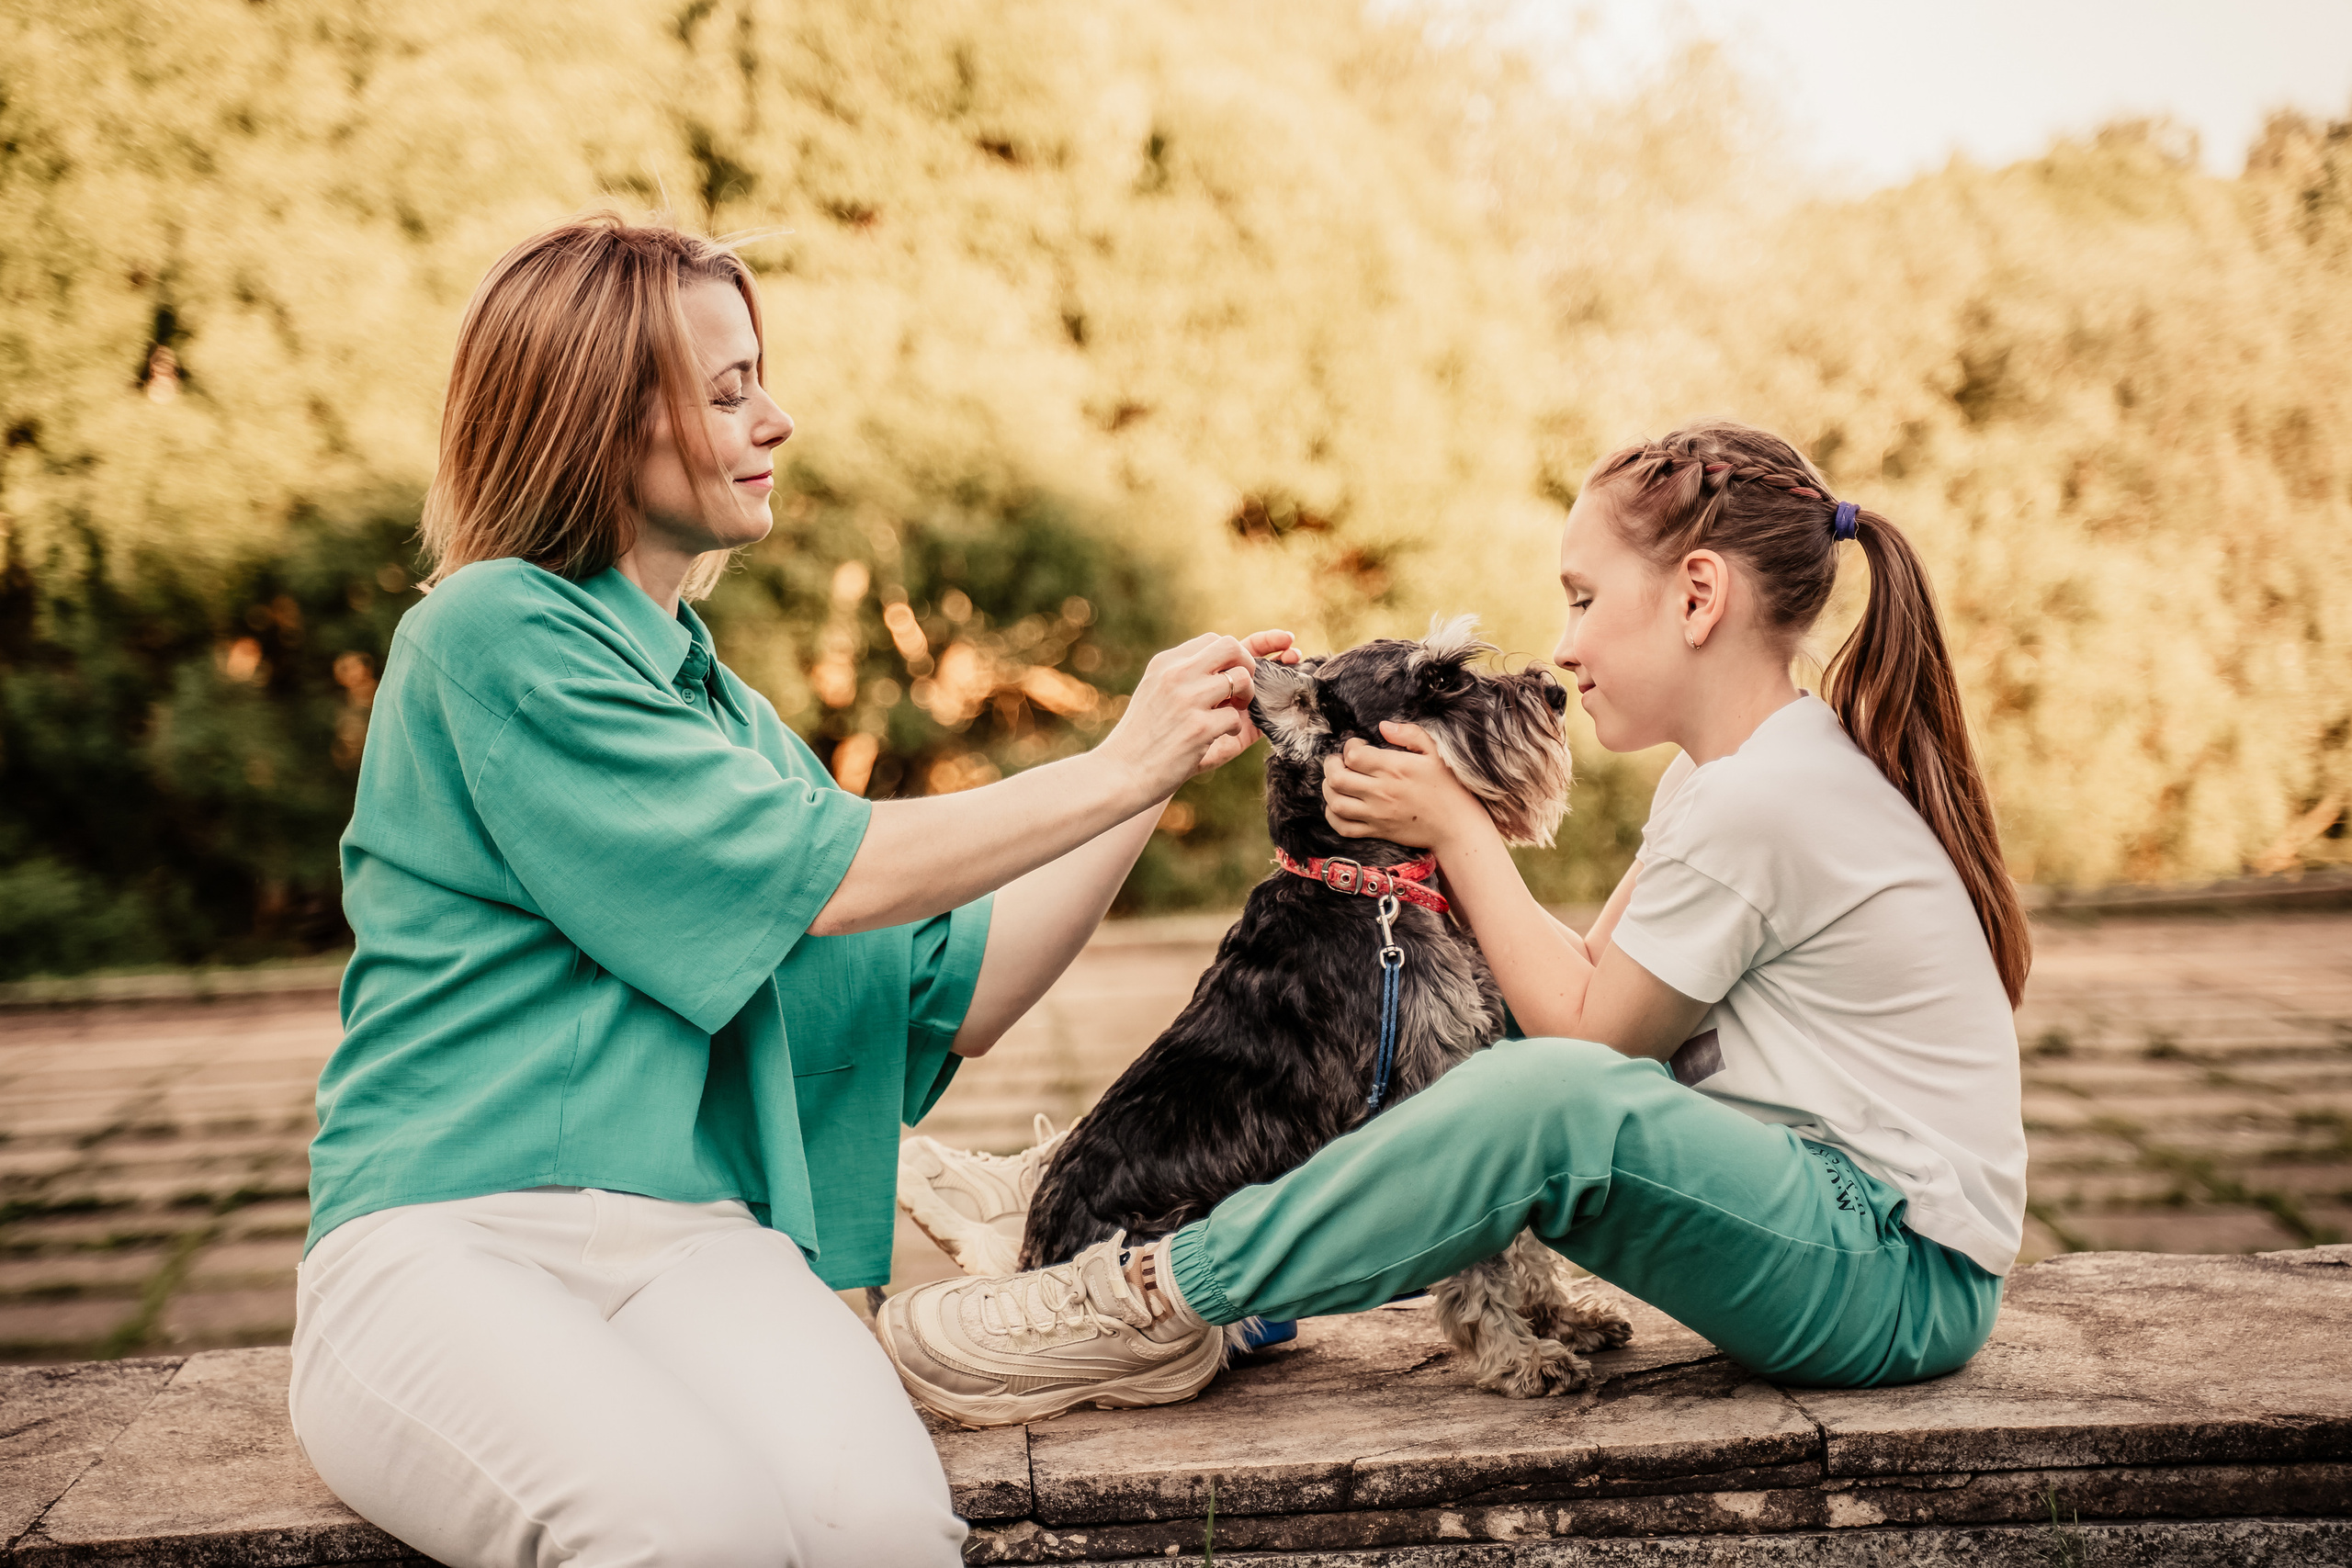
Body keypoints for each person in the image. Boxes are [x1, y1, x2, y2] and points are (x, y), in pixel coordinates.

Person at [286, 214, 1295, 1567]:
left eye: (760, 377)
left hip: (695, 1239)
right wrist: (1117, 758)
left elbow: (969, 984)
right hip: (444, 1236)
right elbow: (841, 875)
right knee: (685, 1530)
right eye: (726, 389)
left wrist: (1156, 767)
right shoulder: (488, 630)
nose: (778, 417)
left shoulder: (728, 715)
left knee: (879, 1527)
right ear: (598, 419)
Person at [885, 420, 2031, 1427]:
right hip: (1833, 1233)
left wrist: (1462, 834)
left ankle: (1150, 1290)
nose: (1565, 645)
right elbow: (1578, 985)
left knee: (1539, 1087)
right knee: (1483, 1041)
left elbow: (1590, 1053)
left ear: (1697, 595)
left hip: (1893, 1277)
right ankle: (1096, 1187)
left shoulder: (1760, 799)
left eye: (1583, 599)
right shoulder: (1729, 777)